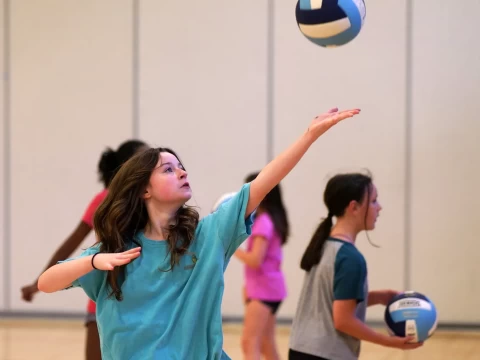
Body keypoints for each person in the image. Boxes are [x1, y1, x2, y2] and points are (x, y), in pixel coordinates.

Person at [37, 107, 360, 360]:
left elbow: (263, 183)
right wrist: (92, 262)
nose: (182, 171)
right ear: (144, 190)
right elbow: (47, 282)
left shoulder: (208, 236)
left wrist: (309, 135)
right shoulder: (115, 252)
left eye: (181, 165)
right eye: (168, 169)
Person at [21, 139, 147, 360]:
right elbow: (72, 242)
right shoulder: (105, 200)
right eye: (144, 159)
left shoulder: (153, 200)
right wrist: (38, 282)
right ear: (127, 166)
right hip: (104, 295)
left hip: (141, 300)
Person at [288, 173, 423, 360]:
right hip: (326, 354)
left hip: (300, 349)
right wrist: (389, 342)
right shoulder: (350, 257)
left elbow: (333, 299)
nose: (379, 207)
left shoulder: (324, 245)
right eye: (374, 201)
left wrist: (379, 297)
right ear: (354, 207)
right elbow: (343, 320)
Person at [234, 172, 289, 360]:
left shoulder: (264, 222)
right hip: (269, 289)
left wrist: (231, 246)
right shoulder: (269, 219)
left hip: (264, 291)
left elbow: (255, 260)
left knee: (249, 343)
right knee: (266, 345)